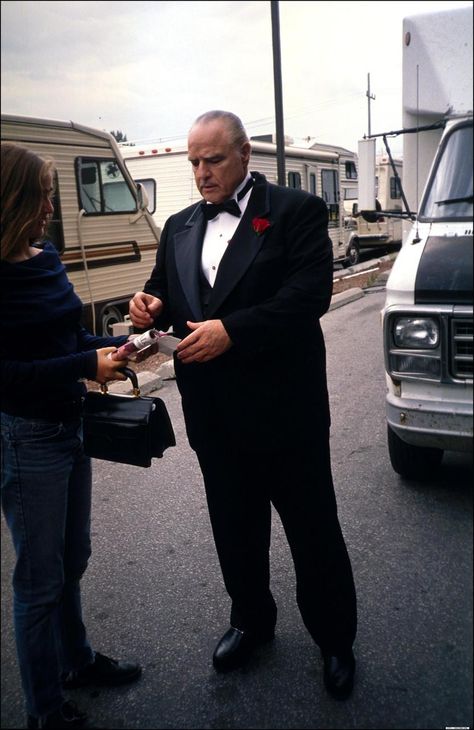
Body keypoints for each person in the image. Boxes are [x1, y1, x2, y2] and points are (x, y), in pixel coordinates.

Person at [129, 111, 357, 700]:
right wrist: (148, 306)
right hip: (213, 414)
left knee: (313, 533)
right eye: (194, 162)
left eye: (213, 160)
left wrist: (234, 330)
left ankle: (335, 639)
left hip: (286, 413)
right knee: (235, 530)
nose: (201, 173)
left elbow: (308, 296)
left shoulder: (294, 212)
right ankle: (251, 621)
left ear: (244, 154)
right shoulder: (179, 225)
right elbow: (164, 287)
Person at [0, 142, 143, 730]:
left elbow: (65, 339)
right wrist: (84, 367)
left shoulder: (46, 256)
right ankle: (45, 710)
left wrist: (107, 350)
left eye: (49, 197)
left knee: (72, 558)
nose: (49, 209)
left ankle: (76, 661)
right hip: (27, 436)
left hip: (70, 424)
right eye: (38, 197)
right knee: (39, 580)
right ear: (9, 200)